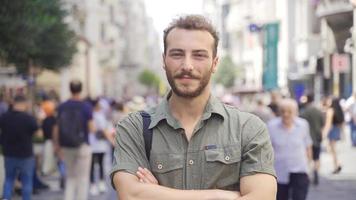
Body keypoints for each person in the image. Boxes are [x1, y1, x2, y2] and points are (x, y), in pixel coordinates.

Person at [110, 15, 277, 200]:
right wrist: (220, 196)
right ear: (164, 60)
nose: (187, 65)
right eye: (177, 54)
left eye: (199, 55)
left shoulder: (248, 128)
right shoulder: (134, 128)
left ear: (214, 63)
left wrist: (156, 194)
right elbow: (131, 195)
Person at [53, 80, 94, 200]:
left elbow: (56, 128)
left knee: (70, 177)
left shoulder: (62, 106)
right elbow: (92, 128)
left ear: (70, 89)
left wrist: (57, 146)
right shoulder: (86, 107)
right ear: (81, 90)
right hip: (83, 145)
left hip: (66, 146)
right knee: (83, 178)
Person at [267, 98, 312, 200]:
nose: (286, 114)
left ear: (295, 112)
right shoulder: (271, 126)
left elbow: (308, 146)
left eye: (289, 112)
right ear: (279, 112)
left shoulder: (303, 125)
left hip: (299, 169)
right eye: (283, 111)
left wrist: (310, 166)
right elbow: (267, 149)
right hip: (279, 171)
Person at [0, 95, 39, 200]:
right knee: (26, 181)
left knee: (9, 179)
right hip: (25, 154)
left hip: (8, 153)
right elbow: (38, 133)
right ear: (24, 103)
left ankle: (6, 198)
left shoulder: (4, 117)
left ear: (14, 103)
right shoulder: (29, 118)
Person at [300, 94, 325, 185]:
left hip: (307, 138)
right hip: (317, 137)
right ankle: (316, 173)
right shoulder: (318, 111)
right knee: (317, 158)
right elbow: (323, 124)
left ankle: (309, 174)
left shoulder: (304, 112)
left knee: (308, 157)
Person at [89, 99, 112, 196]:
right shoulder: (99, 116)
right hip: (99, 144)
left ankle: (93, 185)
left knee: (92, 166)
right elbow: (104, 130)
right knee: (101, 164)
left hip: (92, 143)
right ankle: (100, 184)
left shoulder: (90, 116)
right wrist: (112, 141)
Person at [322, 97, 344, 174]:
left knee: (332, 150)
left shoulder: (330, 111)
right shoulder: (338, 109)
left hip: (332, 130)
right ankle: (337, 164)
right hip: (336, 130)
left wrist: (324, 134)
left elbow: (328, 124)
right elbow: (342, 123)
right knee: (333, 150)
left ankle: (336, 165)